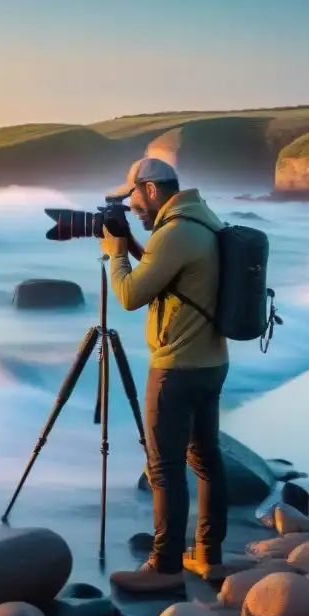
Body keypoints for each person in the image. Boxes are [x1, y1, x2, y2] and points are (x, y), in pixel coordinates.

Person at [99, 157, 230, 593]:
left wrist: (116, 254)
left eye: (132, 195)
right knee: (205, 461)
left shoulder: (173, 233)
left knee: (165, 468)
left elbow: (131, 295)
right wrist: (137, 245)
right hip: (212, 361)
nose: (130, 205)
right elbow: (177, 276)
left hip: (177, 367)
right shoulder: (202, 221)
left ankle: (165, 566)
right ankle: (208, 557)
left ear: (151, 189)